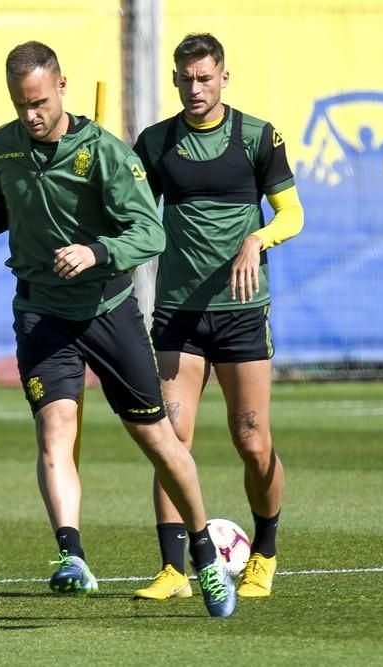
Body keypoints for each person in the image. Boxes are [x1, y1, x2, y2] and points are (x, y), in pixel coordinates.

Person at [0, 41, 236, 617]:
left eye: (37, 101)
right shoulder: (1, 147)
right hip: (40, 313)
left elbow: (148, 233)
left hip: (108, 313)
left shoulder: (104, 153)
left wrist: (96, 252)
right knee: (55, 432)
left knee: (157, 440)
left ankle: (204, 551)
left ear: (61, 87)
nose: (29, 114)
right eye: (19, 104)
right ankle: (72, 556)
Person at [131, 33, 304, 601]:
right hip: (178, 314)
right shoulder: (156, 143)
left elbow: (293, 213)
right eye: (185, 79)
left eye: (205, 78)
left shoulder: (257, 136)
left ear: (224, 77)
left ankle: (266, 554)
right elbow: (132, 213)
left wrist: (258, 239)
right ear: (176, 80)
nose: (195, 88)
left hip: (242, 316)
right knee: (169, 437)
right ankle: (173, 569)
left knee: (251, 440)